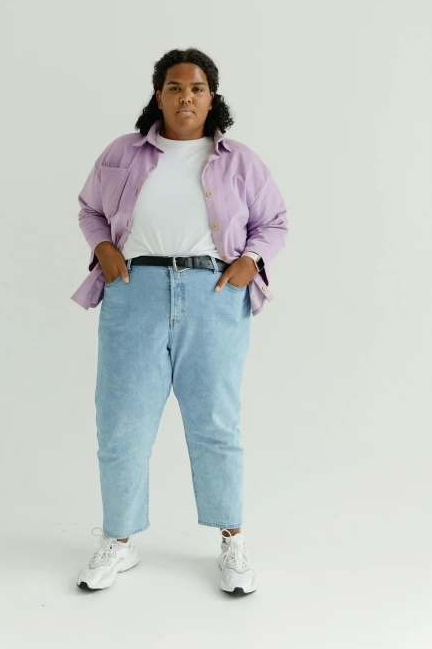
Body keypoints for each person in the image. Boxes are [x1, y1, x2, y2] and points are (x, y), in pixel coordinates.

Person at [72, 47, 288, 595]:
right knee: (121, 422)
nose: (184, 97)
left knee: (216, 422)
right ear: (159, 94)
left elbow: (274, 221)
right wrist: (102, 249)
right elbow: (90, 208)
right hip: (133, 291)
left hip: (214, 294)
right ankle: (118, 541)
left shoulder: (239, 160)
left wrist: (250, 261)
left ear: (211, 96)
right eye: (174, 87)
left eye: (195, 88)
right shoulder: (123, 152)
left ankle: (232, 542)